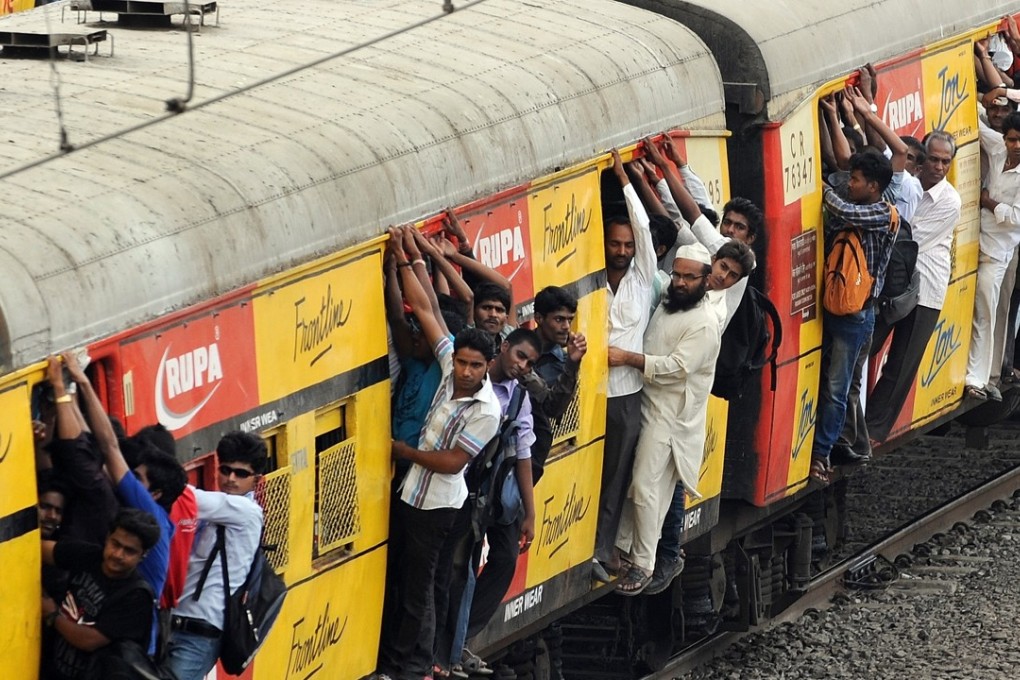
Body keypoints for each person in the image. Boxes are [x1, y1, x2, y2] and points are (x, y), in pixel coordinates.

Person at [376, 227, 501, 680]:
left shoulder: (487, 409)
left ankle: (409, 666)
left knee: (420, 589)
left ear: (488, 367)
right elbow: (426, 310)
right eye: (462, 362)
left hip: (438, 505)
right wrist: (408, 257)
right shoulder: (449, 364)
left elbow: (453, 462)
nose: (465, 371)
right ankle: (401, 661)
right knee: (408, 582)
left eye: (474, 366)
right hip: (414, 493)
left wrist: (406, 451)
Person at [609, 243, 721, 595]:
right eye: (677, 274)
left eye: (690, 277)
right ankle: (625, 552)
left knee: (645, 487)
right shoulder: (668, 305)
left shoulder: (703, 324)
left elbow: (676, 369)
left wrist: (627, 358)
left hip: (670, 419)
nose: (681, 282)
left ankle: (644, 563)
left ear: (706, 280)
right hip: (645, 403)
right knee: (634, 486)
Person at [811, 91, 904, 480]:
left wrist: (820, 187)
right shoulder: (877, 199)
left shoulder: (881, 214)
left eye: (857, 179)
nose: (850, 183)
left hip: (854, 315)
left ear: (874, 186)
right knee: (840, 385)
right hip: (843, 307)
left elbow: (840, 209)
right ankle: (844, 443)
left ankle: (822, 453)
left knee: (836, 387)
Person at [866, 131, 961, 439]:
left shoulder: (950, 201)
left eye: (945, 161)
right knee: (866, 347)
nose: (939, 166)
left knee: (901, 364)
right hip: (894, 284)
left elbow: (911, 240)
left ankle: (873, 430)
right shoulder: (907, 184)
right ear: (922, 159)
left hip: (925, 290)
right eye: (933, 159)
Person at [593, 149, 658, 583]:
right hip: (590, 393)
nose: (620, 251)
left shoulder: (642, 275)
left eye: (626, 246)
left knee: (614, 480)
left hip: (625, 396)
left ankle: (601, 550)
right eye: (614, 244)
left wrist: (624, 181)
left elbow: (645, 227)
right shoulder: (594, 280)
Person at [164, 432, 267, 680]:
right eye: (225, 470)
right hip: (172, 624)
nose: (231, 479)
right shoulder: (218, 509)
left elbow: (189, 496)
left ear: (256, 480)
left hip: (200, 635)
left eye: (241, 473)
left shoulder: (246, 512)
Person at [41, 507, 162, 680]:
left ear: (143, 555)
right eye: (116, 544)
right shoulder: (89, 556)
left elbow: (89, 641)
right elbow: (38, 549)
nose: (118, 554)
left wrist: (52, 615)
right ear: (107, 538)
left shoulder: (137, 596)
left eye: (129, 551)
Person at [965, 111, 1020, 400]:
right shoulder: (998, 147)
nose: (1017, 145)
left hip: (997, 253)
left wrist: (987, 201)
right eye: (1012, 139)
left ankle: (978, 378)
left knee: (985, 311)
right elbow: (970, 114)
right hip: (972, 242)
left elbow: (1015, 218)